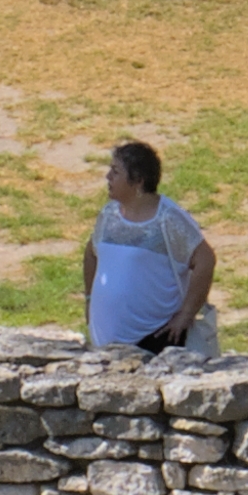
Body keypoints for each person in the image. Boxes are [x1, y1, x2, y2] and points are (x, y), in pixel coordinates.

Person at [83, 139, 219, 357]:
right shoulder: (109, 216)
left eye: (116, 172)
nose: (108, 177)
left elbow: (205, 260)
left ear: (138, 181)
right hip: (106, 346)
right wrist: (89, 300)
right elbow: (91, 253)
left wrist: (186, 315)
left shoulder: (167, 220)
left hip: (154, 342)